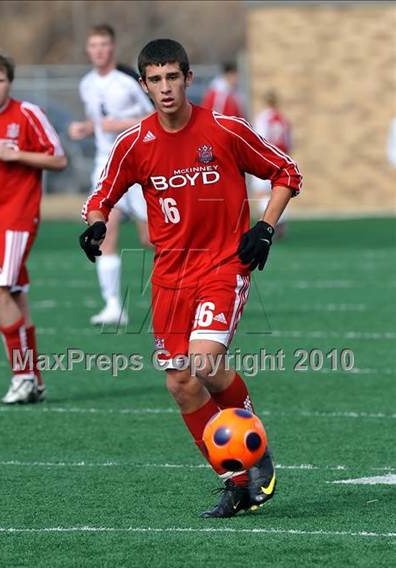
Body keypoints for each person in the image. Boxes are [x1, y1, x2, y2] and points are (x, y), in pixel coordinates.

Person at [80, 39, 302, 517]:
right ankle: (236, 481)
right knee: (180, 382)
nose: (165, 88)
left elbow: (286, 171)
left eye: (172, 77)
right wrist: (96, 223)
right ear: (143, 84)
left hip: (223, 265)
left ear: (187, 79)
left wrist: (263, 228)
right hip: (169, 277)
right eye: (155, 80)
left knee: (203, 363)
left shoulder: (224, 129)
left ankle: (255, 448)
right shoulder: (133, 144)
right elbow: (102, 195)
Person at [0, 51, 67, 404]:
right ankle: (34, 381)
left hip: (15, 217)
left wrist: (15, 154)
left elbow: (59, 158)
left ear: (9, 83)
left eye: (0, 81)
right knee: (14, 298)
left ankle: (23, 375)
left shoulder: (27, 114)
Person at [69, 24, 153, 326]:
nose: (99, 50)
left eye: (104, 44)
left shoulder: (129, 81)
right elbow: (98, 120)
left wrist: (119, 124)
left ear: (112, 47)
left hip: (138, 167)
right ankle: (114, 305)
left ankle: (188, 287)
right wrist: (85, 128)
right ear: (88, 50)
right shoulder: (86, 84)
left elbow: (153, 116)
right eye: (93, 45)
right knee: (104, 230)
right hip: (106, 167)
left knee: (152, 239)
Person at [252, 90, 293, 238]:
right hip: (281, 159)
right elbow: (289, 143)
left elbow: (259, 139)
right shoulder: (282, 119)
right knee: (280, 191)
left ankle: (269, 224)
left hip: (266, 159)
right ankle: (280, 223)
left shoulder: (263, 118)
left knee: (262, 193)